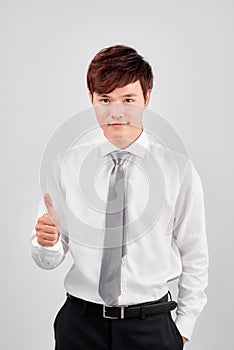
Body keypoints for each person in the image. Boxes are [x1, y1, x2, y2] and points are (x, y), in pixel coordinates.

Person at [30, 45, 209, 349]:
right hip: (80, 326)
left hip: (151, 326)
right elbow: (49, 256)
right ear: (91, 100)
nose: (116, 111)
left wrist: (183, 328)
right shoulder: (66, 165)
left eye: (128, 99)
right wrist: (46, 243)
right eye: (105, 100)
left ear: (147, 97)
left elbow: (195, 254)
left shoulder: (177, 170)